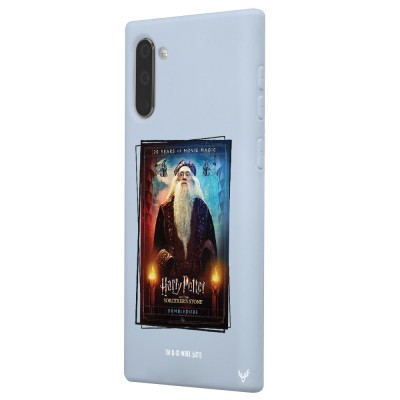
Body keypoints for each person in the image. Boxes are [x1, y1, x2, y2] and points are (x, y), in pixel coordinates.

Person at [153, 159, 217, 279]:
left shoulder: (202, 208)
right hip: (171, 275)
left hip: (198, 274)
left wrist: (204, 262)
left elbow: (210, 240)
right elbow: (158, 243)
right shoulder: (165, 209)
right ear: (176, 180)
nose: (184, 177)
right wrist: (169, 264)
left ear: (193, 180)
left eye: (188, 174)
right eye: (181, 174)